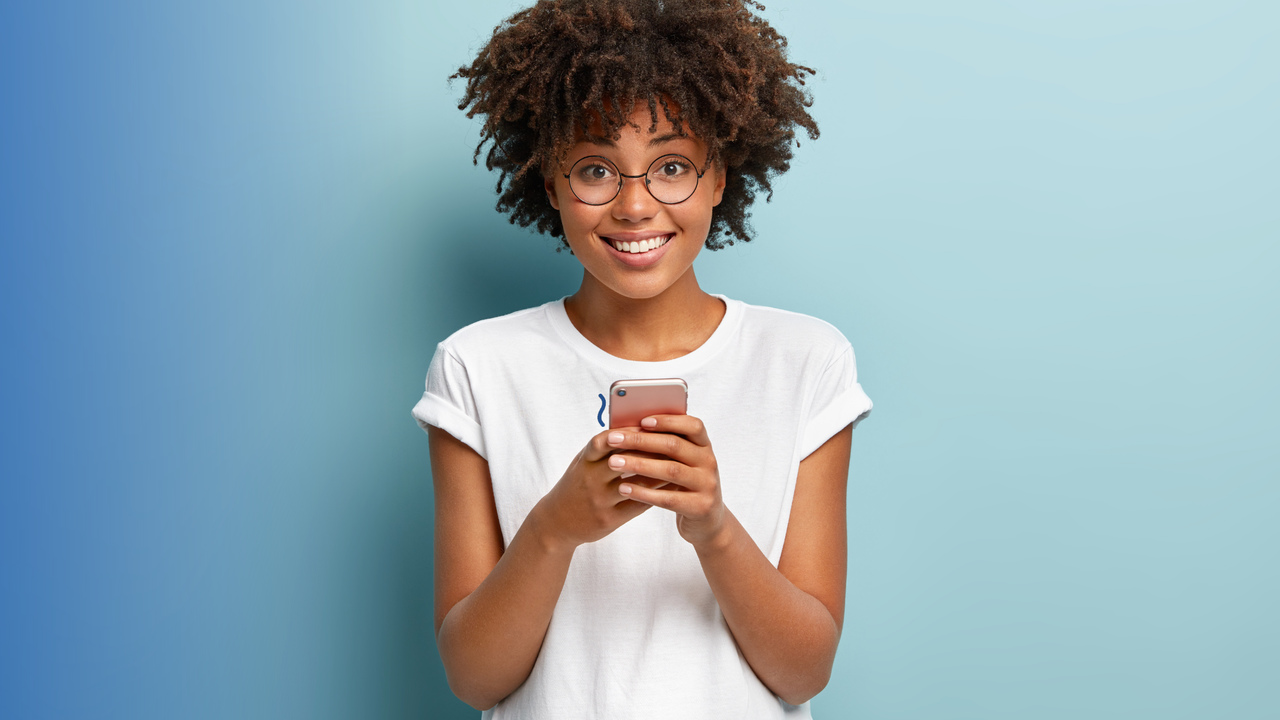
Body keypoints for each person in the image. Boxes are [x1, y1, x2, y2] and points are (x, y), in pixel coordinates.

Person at [413, 1, 872, 717]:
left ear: (721, 178)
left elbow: (805, 671)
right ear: (552, 184)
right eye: (596, 169)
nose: (635, 206)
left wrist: (713, 526)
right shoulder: (477, 368)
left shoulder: (806, 362)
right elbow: (474, 677)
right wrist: (555, 528)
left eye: (672, 167)